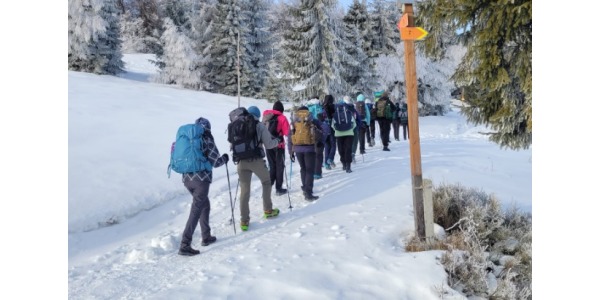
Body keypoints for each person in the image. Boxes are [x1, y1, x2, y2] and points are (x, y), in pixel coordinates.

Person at [179, 117, 229, 256]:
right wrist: (225, 158)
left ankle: (206, 236)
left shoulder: (188, 139)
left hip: (187, 179)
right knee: (196, 210)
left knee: (204, 205)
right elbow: (216, 162)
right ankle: (185, 244)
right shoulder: (206, 138)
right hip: (201, 180)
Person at [236, 106, 281, 231]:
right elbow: (269, 144)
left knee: (244, 191)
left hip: (241, 162)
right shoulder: (259, 125)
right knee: (266, 182)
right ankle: (268, 210)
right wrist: (278, 141)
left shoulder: (238, 124)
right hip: (255, 160)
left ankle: (244, 221)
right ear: (257, 115)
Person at [288, 106, 322, 201]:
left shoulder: (294, 121)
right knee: (310, 170)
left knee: (303, 168)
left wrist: (291, 151)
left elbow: (289, 136)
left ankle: (304, 187)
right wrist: (320, 141)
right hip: (310, 148)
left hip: (298, 149)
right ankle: (308, 192)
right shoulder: (312, 119)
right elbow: (323, 129)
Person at [262, 100, 290, 196]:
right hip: (279, 145)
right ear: (281, 110)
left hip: (268, 145)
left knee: (272, 166)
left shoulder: (266, 116)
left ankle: (268, 187)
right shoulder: (282, 118)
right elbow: (287, 133)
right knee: (279, 166)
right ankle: (279, 188)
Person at [332, 96, 357, 173]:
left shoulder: (335, 114)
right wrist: (350, 130)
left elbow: (333, 125)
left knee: (341, 149)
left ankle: (343, 164)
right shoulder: (349, 112)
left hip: (339, 134)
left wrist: (338, 130)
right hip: (349, 133)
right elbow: (354, 124)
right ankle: (348, 166)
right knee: (348, 149)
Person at [322, 94, 337, 169]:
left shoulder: (322, 106)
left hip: (323, 129)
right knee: (333, 144)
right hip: (331, 127)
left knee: (327, 146)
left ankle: (326, 164)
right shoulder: (332, 106)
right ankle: (330, 159)